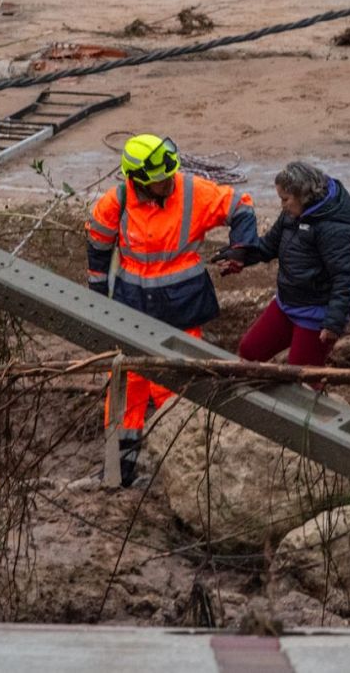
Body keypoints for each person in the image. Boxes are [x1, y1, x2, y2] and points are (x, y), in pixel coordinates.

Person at [86, 133, 260, 484]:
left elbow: (240, 205)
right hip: (132, 310)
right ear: (137, 181)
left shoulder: (191, 191)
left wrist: (242, 246)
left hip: (181, 311)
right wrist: (97, 302)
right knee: (125, 387)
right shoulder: (114, 204)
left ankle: (183, 469)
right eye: (160, 181)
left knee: (178, 389)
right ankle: (118, 471)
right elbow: (98, 250)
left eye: (168, 177)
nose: (168, 184)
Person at [227, 161, 350, 367]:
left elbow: (344, 278)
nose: (282, 205)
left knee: (302, 375)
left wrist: (333, 323)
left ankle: (316, 394)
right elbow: (268, 245)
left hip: (315, 314)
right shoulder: (292, 213)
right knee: (249, 350)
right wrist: (239, 255)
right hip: (286, 303)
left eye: (285, 199)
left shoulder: (334, 229)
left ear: (303, 196)